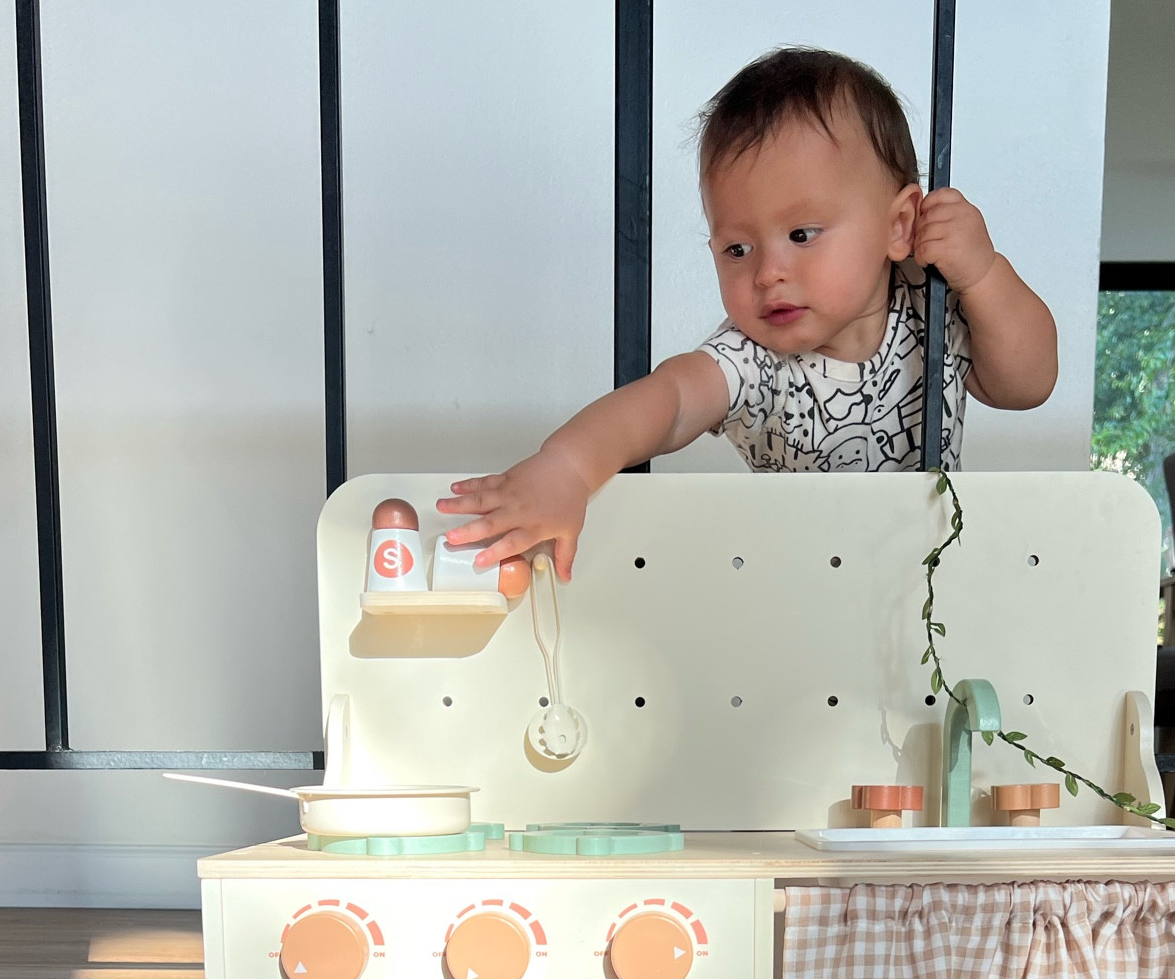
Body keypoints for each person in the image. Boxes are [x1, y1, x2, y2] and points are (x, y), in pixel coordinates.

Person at [439, 46, 1057, 579]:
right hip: (793, 592)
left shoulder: (932, 302)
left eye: (803, 234)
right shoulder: (752, 359)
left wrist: (984, 271)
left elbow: (1027, 383)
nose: (767, 272)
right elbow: (668, 401)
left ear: (898, 226)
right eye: (737, 249)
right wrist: (569, 468)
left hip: (928, 594)